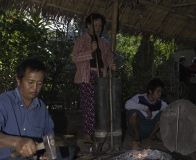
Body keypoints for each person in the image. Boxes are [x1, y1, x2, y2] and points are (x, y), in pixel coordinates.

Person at [0, 58, 74, 159]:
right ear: (18, 81)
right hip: (7, 158)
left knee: (68, 152)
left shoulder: (41, 108)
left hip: (33, 158)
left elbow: (49, 136)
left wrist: (47, 153)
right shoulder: (4, 101)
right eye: (30, 82)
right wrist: (17, 142)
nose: (35, 87)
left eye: (39, 84)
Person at [72, 13, 116, 146]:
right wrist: (90, 51)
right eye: (95, 25)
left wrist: (111, 65)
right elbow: (75, 58)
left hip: (101, 77)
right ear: (88, 25)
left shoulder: (102, 43)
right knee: (89, 106)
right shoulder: (82, 40)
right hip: (87, 77)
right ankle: (87, 136)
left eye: (100, 26)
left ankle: (99, 132)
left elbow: (108, 58)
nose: (98, 28)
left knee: (101, 105)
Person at [125, 77, 168, 150]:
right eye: (158, 91)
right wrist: (146, 108)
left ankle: (151, 135)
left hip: (150, 129)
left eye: (161, 92)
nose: (160, 94)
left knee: (166, 114)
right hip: (138, 128)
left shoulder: (160, 103)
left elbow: (169, 109)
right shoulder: (139, 98)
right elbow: (127, 105)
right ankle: (136, 136)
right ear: (150, 91)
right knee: (132, 113)